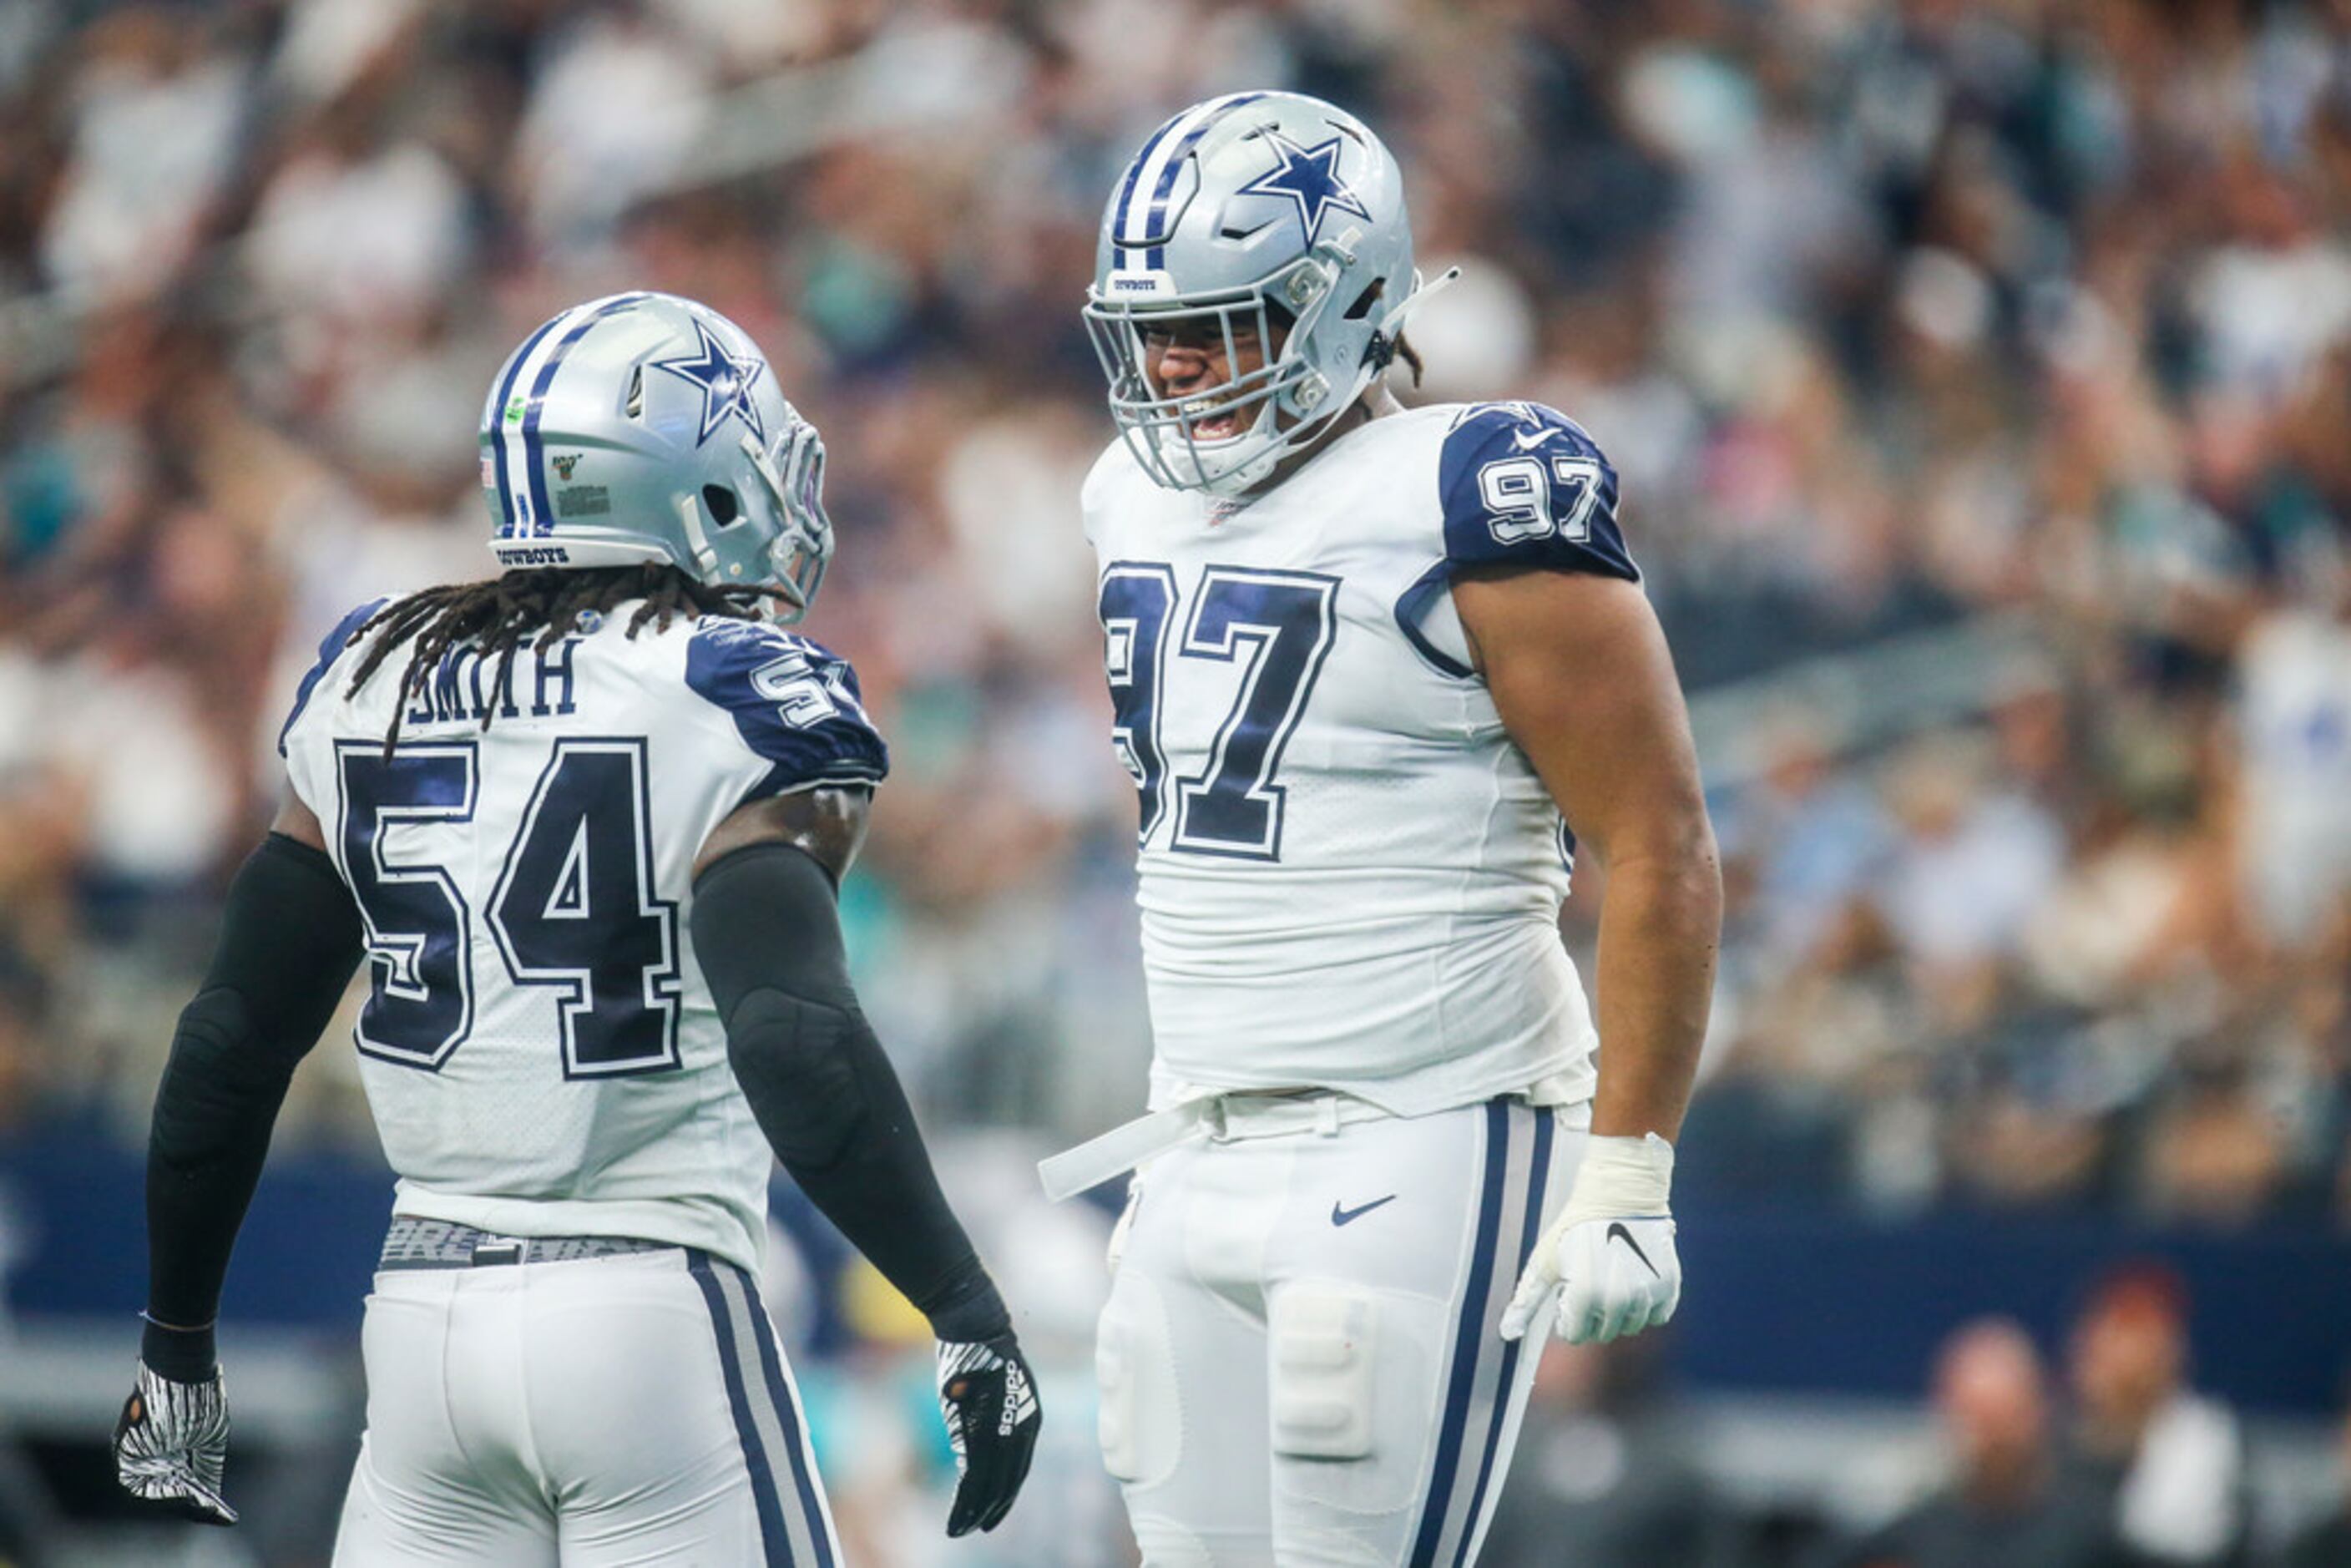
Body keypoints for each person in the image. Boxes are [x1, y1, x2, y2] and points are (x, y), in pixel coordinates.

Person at [109, 291, 1040, 1563]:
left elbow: (230, 1040)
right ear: (693, 479)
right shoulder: (735, 685)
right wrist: (962, 1302)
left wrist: (177, 1345)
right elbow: (794, 1035)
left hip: (425, 1330)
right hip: (649, 1314)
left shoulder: (373, 669)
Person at [1044, 91, 1722, 1564]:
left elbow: (1661, 841)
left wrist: (1629, 1163)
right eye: (1151, 327)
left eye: (1218, 325)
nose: (1170, 365)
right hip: (1194, 1124)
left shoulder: (1478, 495)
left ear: (1341, 305)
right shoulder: (1126, 502)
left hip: (1423, 1127)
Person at [1820, 1318, 2125, 1568]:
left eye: (2007, 1415)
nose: (1995, 1440)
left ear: (2038, 1409)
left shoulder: (2089, 1526)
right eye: (1980, 1418)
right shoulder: (1912, 1530)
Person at [2061, 1263, 2249, 1566]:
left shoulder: (2203, 1445)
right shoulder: (2057, 1449)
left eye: (2134, 1335)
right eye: (2104, 1335)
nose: (2113, 1354)